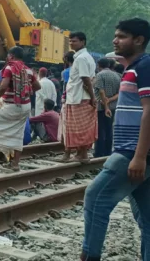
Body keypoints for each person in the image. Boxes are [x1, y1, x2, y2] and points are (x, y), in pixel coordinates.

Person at [81, 18, 150, 261]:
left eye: (121, 36)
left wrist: (139, 156)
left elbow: (149, 110)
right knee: (147, 218)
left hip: (132, 152)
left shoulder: (144, 65)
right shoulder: (134, 68)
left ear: (139, 40)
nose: (115, 40)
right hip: (135, 152)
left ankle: (90, 256)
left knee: (95, 197)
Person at [63, 32, 97, 162]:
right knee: (83, 127)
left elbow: (86, 79)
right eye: (70, 41)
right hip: (80, 96)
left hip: (78, 97)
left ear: (83, 42)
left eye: (74, 41)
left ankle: (81, 154)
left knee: (78, 127)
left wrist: (93, 97)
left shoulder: (81, 58)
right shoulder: (86, 57)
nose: (71, 43)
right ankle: (81, 154)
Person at [93, 57, 121, 158]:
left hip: (101, 107)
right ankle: (108, 152)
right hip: (113, 106)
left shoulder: (100, 75)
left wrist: (105, 105)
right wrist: (110, 100)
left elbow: (101, 91)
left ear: (99, 65)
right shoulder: (117, 76)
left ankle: (99, 153)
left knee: (100, 130)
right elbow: (119, 93)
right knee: (109, 129)